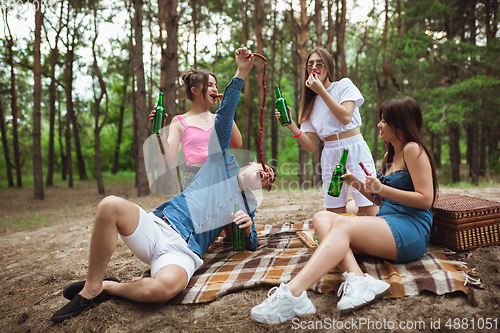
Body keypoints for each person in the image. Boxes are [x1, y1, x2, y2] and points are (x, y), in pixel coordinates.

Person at [51, 47, 277, 323]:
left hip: (184, 252)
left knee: (165, 288)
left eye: (269, 178)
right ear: (249, 164)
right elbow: (225, 114)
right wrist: (242, 71)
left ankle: (109, 288)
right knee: (109, 205)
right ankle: (92, 286)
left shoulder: (245, 206)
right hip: (160, 226)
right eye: (263, 170)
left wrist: (248, 228)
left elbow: (247, 245)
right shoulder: (220, 161)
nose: (265, 175)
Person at [252, 97, 438, 324]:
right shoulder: (390, 155)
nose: (379, 125)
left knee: (340, 223)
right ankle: (358, 279)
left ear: (399, 124)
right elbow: (380, 199)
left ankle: (294, 292)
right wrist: (357, 184)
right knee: (321, 217)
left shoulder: (413, 149)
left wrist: (383, 189)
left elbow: (425, 200)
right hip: (387, 221)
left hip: (410, 230)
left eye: (383, 121)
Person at [277, 47, 377, 216]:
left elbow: (345, 117)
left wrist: (321, 91)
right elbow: (311, 145)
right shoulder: (309, 103)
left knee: (368, 206)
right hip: (330, 153)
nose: (314, 67)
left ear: (328, 67)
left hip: (354, 148)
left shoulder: (344, 85)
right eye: (310, 65)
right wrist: (291, 124)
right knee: (334, 213)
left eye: (319, 63)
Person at [150, 68, 243, 190]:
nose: (215, 89)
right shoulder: (179, 121)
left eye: (215, 85)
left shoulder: (219, 119)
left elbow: (237, 144)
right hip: (194, 179)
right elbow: (168, 158)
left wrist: (226, 112)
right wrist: (160, 132)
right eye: (209, 85)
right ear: (194, 91)